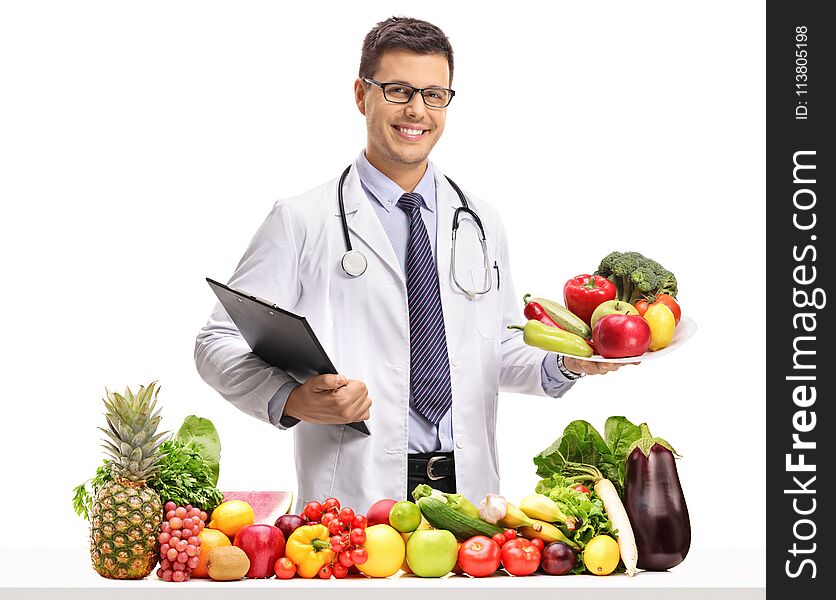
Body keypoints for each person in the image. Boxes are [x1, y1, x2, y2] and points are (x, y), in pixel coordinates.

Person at [195, 16, 631, 512]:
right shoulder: (301, 220)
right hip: (355, 500)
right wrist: (290, 397)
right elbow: (216, 342)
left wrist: (567, 362)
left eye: (434, 94)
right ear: (362, 95)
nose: (417, 110)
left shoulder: (481, 221)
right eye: (399, 90)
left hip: (471, 500)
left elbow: (497, 350)